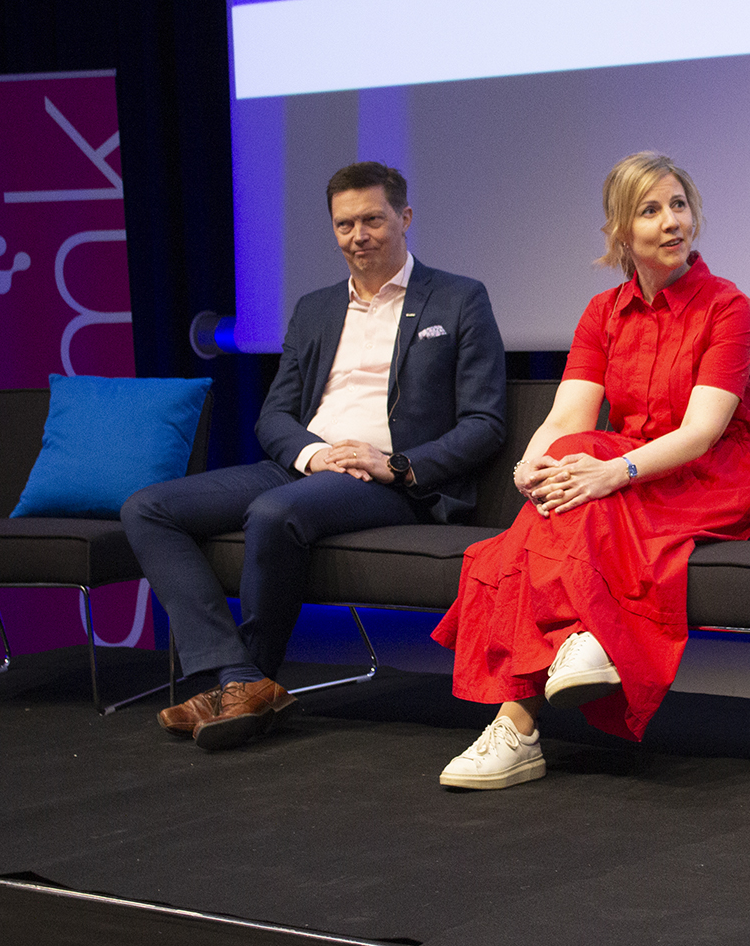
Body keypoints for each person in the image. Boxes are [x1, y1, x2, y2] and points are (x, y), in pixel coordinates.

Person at [123, 162, 506, 751]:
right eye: (345, 224)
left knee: (274, 515)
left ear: (404, 218)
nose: (359, 236)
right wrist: (313, 455)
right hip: (307, 467)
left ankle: (241, 684)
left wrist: (397, 465)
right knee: (148, 508)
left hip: (392, 481)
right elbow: (274, 415)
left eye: (373, 220)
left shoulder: (457, 299)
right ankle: (238, 675)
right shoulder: (315, 308)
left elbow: (485, 423)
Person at [430, 151, 750, 790]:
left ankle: (530, 711)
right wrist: (533, 464)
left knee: (576, 499)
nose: (672, 222)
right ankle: (575, 643)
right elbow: (566, 415)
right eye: (650, 211)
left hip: (709, 474)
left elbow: (700, 434)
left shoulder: (729, 306)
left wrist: (611, 473)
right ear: (620, 230)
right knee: (566, 464)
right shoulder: (602, 311)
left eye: (679, 205)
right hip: (630, 468)